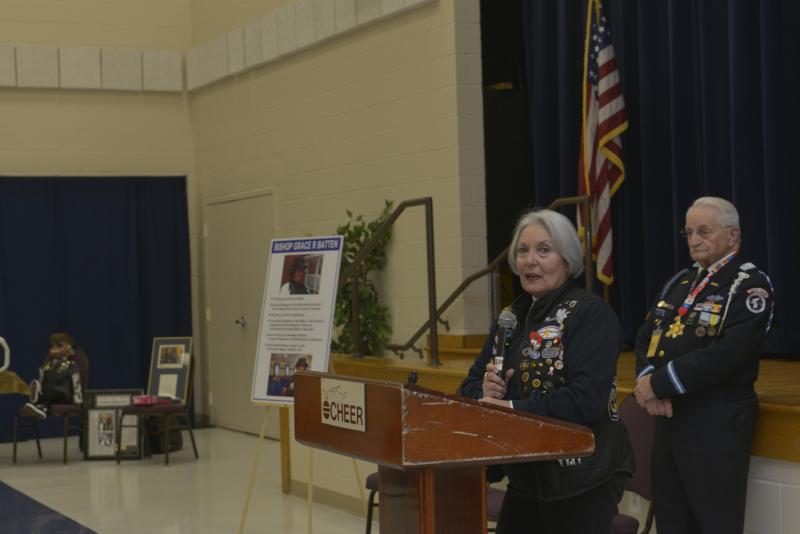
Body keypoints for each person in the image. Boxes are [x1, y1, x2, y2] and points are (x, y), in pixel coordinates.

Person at [460, 208, 634, 534]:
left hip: (584, 474)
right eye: (523, 251)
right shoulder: (510, 319)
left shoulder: (590, 314)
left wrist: (510, 409)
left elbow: (586, 400)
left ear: (566, 259)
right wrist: (483, 394)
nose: (530, 260)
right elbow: (468, 386)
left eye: (544, 250)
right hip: (529, 471)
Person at [633, 196, 774, 534]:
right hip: (670, 417)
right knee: (672, 520)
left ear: (733, 236)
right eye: (689, 232)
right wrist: (647, 381)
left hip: (716, 420)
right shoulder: (680, 282)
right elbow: (645, 337)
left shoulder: (749, 285)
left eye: (704, 231)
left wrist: (659, 384)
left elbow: (726, 355)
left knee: (715, 521)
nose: (695, 240)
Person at [24, 332, 84, 419]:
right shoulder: (48, 365)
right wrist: (41, 376)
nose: (55, 348)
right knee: (46, 390)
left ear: (69, 347)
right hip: (51, 395)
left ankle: (40, 405)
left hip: (64, 395)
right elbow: (42, 379)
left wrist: (78, 401)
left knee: (48, 393)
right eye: (53, 346)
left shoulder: (71, 365)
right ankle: (39, 403)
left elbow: (76, 382)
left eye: (59, 345)